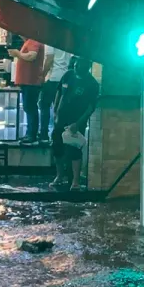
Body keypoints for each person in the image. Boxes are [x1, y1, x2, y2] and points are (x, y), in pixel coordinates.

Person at [50, 58, 99, 191]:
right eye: (75, 65)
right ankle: (59, 176)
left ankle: (75, 181)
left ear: (87, 67)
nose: (76, 68)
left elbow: (90, 107)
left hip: (76, 120)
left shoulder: (92, 84)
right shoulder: (68, 75)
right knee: (57, 147)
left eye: (79, 66)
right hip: (61, 118)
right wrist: (55, 111)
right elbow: (59, 92)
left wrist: (78, 123)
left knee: (74, 150)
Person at [8, 38, 45, 146]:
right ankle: (30, 133)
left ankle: (31, 134)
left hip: (31, 81)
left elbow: (31, 56)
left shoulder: (34, 41)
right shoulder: (29, 41)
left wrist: (18, 54)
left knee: (30, 107)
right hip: (27, 81)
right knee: (28, 107)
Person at [39, 44, 73, 145]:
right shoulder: (66, 41)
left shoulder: (49, 41)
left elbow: (49, 59)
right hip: (64, 78)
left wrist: (42, 75)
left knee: (44, 106)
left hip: (52, 78)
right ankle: (59, 136)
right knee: (60, 109)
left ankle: (44, 135)